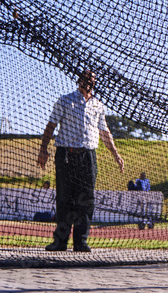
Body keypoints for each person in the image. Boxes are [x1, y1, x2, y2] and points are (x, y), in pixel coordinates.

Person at [37, 69, 124, 252]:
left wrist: (115, 154)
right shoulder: (65, 100)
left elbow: (104, 132)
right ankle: (59, 242)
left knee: (85, 200)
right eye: (85, 79)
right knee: (64, 199)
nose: (88, 82)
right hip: (66, 154)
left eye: (91, 80)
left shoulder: (98, 105)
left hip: (88, 156)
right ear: (78, 81)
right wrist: (43, 149)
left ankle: (81, 241)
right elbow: (51, 126)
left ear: (95, 83)